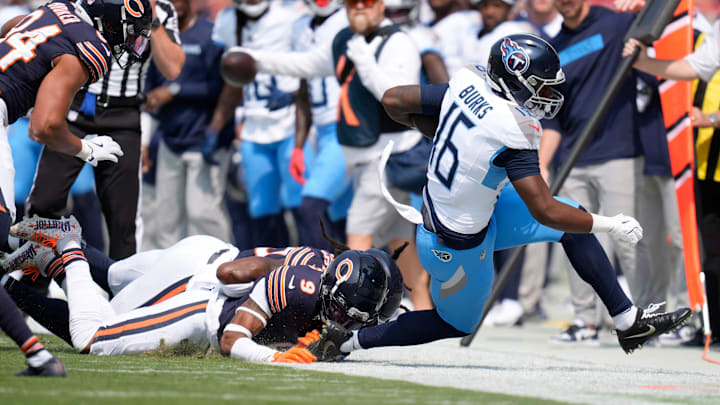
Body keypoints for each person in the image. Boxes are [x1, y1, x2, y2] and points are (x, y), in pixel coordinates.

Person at [304, 34, 692, 361]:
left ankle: (627, 322)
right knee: (454, 323)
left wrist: (444, 134)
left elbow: (392, 99)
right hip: (455, 246)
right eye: (542, 85)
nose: (550, 93)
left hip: (470, 216)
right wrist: (610, 224)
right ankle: (349, 342)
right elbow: (544, 208)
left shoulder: (468, 83)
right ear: (515, 80)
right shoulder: (512, 128)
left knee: (573, 221)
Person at [229, 0, 433, 310]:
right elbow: (308, 65)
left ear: (381, 6)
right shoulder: (346, 40)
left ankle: (344, 314)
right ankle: (423, 310)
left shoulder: (397, 42)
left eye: (367, 3)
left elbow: (394, 94)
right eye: (353, 3)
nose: (359, 8)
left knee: (358, 239)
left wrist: (365, 62)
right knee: (399, 241)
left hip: (389, 155)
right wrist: (256, 60)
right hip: (369, 156)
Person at [2, 216, 402, 363]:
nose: (344, 323)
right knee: (96, 327)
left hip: (206, 255)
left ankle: (52, 255)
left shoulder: (330, 273)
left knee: (109, 278)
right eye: (344, 313)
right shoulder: (298, 282)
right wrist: (271, 286)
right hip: (203, 276)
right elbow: (232, 275)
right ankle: (59, 254)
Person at [0, 0, 153, 377]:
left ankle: (39, 351)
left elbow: (12, 30)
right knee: (4, 242)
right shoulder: (89, 47)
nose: (130, 43)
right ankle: (59, 246)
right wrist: (87, 148)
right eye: (130, 31)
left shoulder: (54, 9)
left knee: (4, 241)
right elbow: (44, 126)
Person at [26, 0, 185, 260]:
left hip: (123, 116)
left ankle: (122, 293)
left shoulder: (163, 9)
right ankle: (37, 282)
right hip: (77, 105)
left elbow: (173, 69)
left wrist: (151, 17)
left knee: (122, 219)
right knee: (44, 200)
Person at [538, 0, 644, 344]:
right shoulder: (555, 48)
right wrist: (541, 163)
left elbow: (664, 17)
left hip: (618, 152)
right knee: (576, 239)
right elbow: (552, 116)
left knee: (628, 239)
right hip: (572, 159)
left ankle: (643, 317)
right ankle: (585, 321)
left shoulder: (615, 24)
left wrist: (642, 6)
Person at [620, 0, 720, 345]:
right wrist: (645, 59)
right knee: (697, 247)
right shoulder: (716, 29)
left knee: (696, 242)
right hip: (685, 157)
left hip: (698, 149)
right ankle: (695, 321)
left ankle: (700, 317)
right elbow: (697, 66)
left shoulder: (702, 27)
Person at [206, 0, 304, 248]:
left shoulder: (290, 18)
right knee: (263, 213)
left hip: (291, 125)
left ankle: (318, 271)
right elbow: (233, 83)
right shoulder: (228, 21)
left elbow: (312, 68)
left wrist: (293, 94)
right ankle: (277, 275)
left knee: (303, 206)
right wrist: (215, 125)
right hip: (253, 129)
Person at [144, 0, 234, 247]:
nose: (173, 4)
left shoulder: (211, 35)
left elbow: (221, 87)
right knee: (166, 219)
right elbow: (150, 89)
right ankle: (171, 279)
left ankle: (219, 270)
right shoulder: (158, 38)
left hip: (203, 141)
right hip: (169, 140)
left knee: (202, 215)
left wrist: (176, 90)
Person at [287, 0, 354, 251]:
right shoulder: (300, 27)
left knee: (311, 207)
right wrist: (298, 146)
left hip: (348, 129)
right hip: (323, 132)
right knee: (341, 218)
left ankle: (315, 279)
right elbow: (303, 93)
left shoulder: (349, 19)